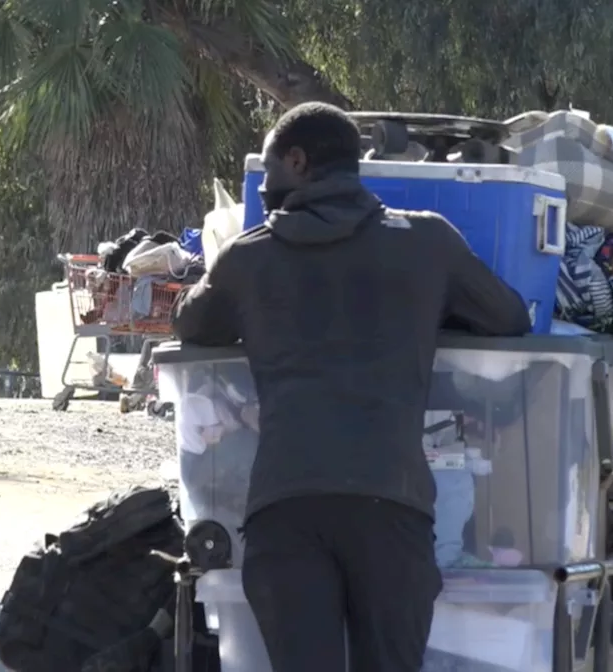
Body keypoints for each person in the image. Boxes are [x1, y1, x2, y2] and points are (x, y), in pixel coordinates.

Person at [172, 102, 532, 671]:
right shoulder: (427, 243)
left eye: (270, 171)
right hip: (392, 506)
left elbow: (192, 325)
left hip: (285, 507)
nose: (265, 187)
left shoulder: (249, 257)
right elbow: (510, 317)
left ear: (298, 161)